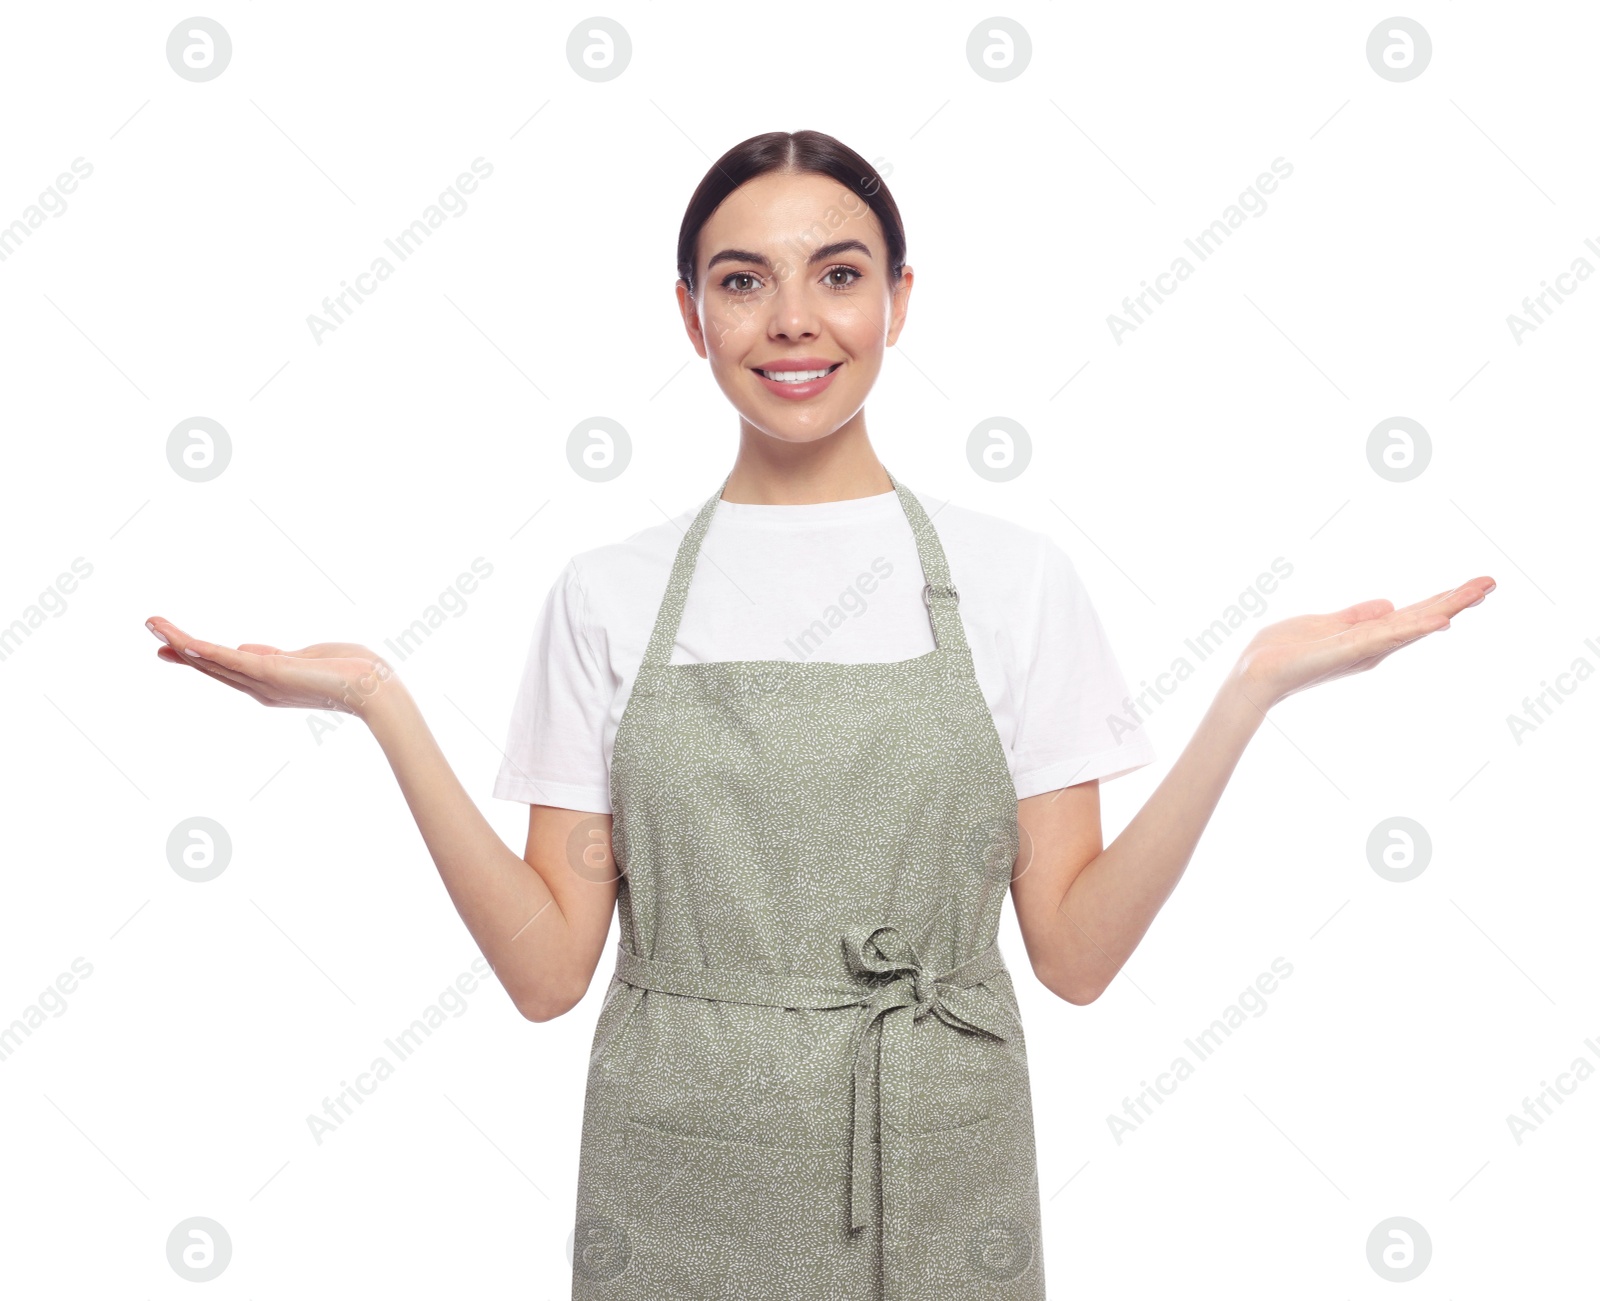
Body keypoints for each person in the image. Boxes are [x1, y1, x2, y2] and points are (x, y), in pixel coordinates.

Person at [143, 130, 1494, 1300]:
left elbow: (1073, 951)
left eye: (838, 274)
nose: (793, 320)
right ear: (691, 314)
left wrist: (1248, 693)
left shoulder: (1019, 583)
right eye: (745, 281)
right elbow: (551, 971)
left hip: (938, 1146)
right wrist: (382, 704)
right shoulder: (604, 595)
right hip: (674, 1159)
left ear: (899, 300)